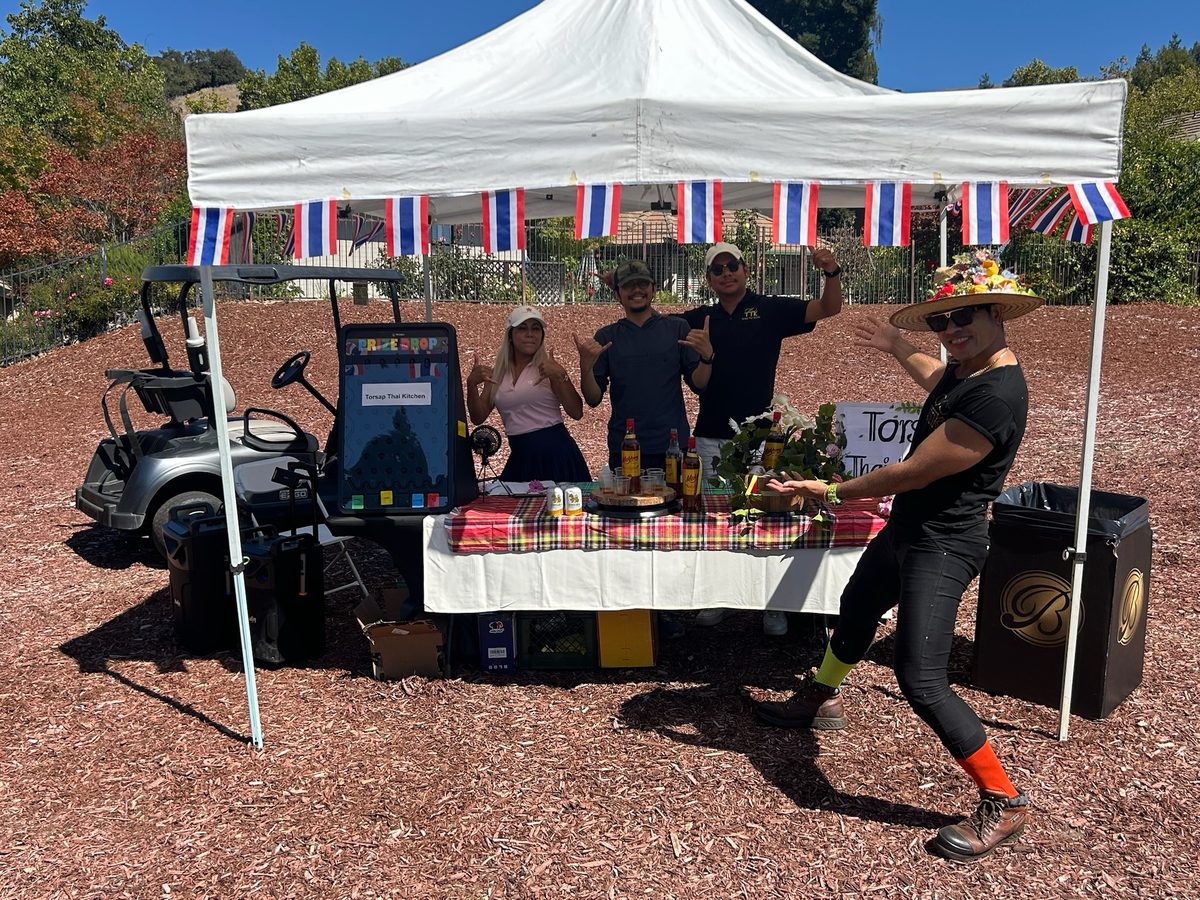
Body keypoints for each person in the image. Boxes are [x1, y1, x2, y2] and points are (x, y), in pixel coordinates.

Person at [753, 284, 1043, 862]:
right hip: (907, 531)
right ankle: (820, 697)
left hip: (945, 542)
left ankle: (1003, 798)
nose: (951, 330)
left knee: (921, 678)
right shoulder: (966, 372)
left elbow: (913, 471)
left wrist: (830, 490)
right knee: (856, 610)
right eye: (942, 323)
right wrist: (897, 344)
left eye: (963, 317)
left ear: (997, 314)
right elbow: (936, 384)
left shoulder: (998, 396)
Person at [683, 241, 844, 635]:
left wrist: (831, 272)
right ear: (709, 278)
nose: (726, 273)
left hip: (761, 438)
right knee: (718, 519)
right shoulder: (698, 318)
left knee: (768, 515)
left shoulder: (770, 309)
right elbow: (650, 321)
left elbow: (828, 308)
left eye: (732, 265)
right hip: (711, 435)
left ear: (745, 269)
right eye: (717, 268)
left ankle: (772, 603)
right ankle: (720, 596)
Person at [575, 260, 712, 472]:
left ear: (654, 289)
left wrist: (706, 357)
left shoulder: (677, 329)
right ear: (617, 295)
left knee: (676, 504)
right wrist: (585, 368)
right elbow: (593, 399)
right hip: (626, 447)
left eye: (643, 284)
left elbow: (699, 384)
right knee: (626, 505)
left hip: (673, 446)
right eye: (629, 286)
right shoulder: (607, 337)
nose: (637, 290)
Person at [466, 305, 590, 484]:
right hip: (521, 456)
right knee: (515, 510)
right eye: (522, 329)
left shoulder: (548, 369)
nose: (530, 334)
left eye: (536, 329)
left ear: (542, 335)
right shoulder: (498, 374)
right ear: (510, 336)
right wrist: (471, 385)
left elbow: (576, 412)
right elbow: (478, 417)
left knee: (562, 511)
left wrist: (562, 375)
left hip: (557, 456)